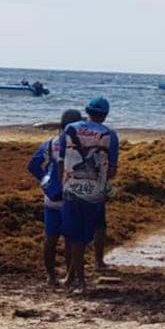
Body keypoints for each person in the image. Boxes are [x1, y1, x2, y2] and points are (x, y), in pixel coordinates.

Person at [58, 96, 119, 294]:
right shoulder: (110, 135)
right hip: (94, 194)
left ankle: (74, 278)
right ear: (106, 115)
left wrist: (63, 184)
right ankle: (79, 281)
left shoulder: (70, 129)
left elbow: (61, 160)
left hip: (70, 190)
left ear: (87, 110)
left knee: (73, 237)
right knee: (84, 237)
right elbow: (112, 171)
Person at [27, 108, 83, 286]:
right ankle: (70, 276)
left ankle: (50, 275)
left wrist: (45, 180)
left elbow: (33, 166)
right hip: (73, 197)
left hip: (52, 197)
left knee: (50, 238)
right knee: (72, 239)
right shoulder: (82, 146)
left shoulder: (51, 144)